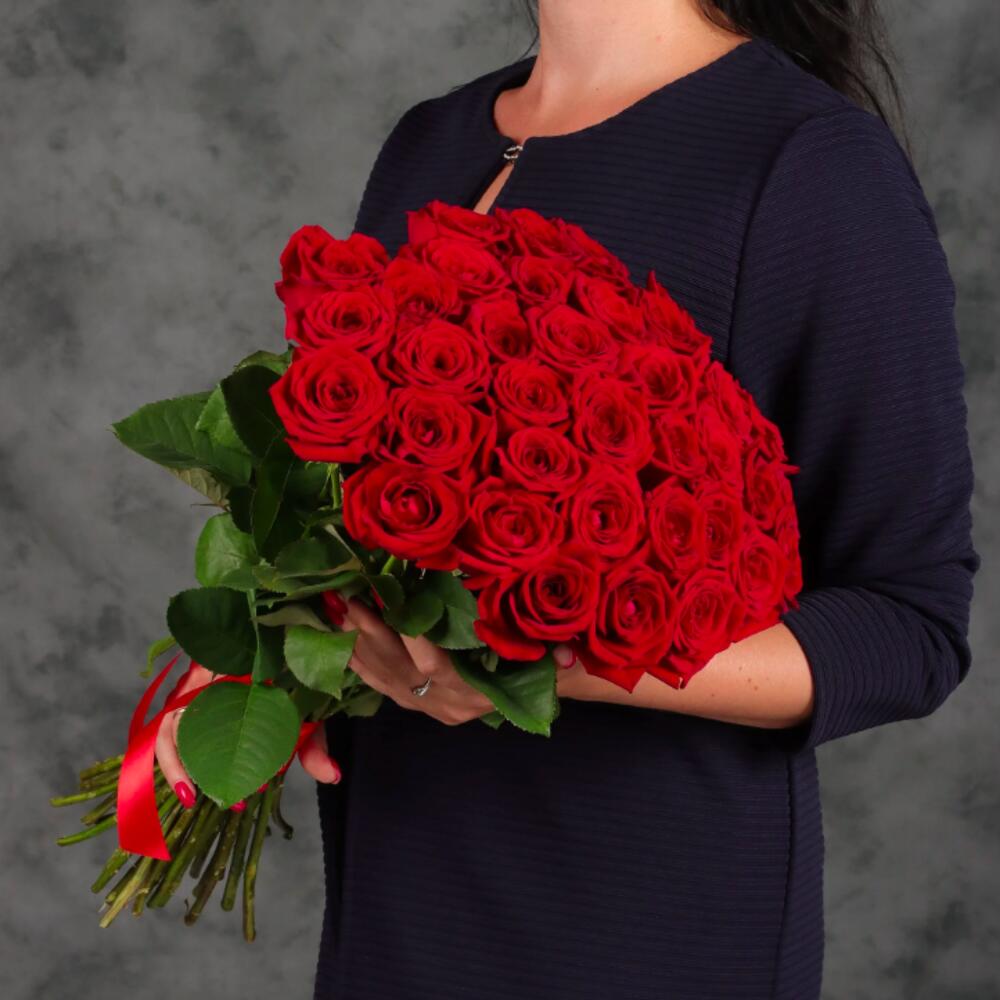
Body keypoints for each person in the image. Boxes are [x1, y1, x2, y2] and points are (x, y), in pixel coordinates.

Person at [160, 2, 981, 997]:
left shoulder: (809, 164)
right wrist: (264, 647)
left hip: (637, 923)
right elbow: (360, 509)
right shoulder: (432, 139)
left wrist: (547, 660)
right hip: (399, 897)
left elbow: (908, 624)